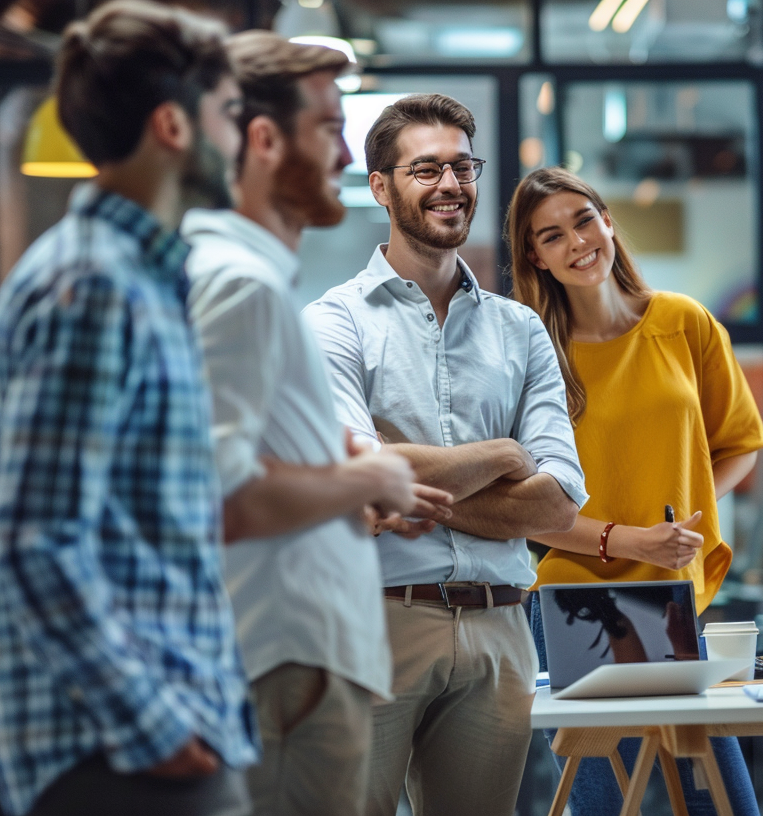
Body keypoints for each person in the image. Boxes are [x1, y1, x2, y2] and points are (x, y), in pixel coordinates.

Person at [0, 4, 257, 814]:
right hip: (120, 755)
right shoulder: (95, 287)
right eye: (230, 114)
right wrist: (152, 725)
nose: (241, 139)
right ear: (173, 125)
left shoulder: (134, 277)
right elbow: (36, 537)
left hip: (150, 734)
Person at [182, 33, 454, 816]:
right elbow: (220, 492)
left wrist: (336, 479)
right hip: (283, 664)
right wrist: (373, 474)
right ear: (263, 140)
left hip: (299, 662)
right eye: (329, 128)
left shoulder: (251, 279)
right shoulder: (239, 285)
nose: (342, 154)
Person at [304, 94, 588, 816]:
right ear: (381, 186)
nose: (450, 185)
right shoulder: (333, 322)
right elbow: (351, 476)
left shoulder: (521, 329)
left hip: (500, 628)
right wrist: (500, 453)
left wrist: (400, 471)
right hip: (374, 621)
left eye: (463, 166)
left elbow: (558, 501)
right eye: (426, 169)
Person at [508, 166, 763, 816]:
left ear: (608, 221)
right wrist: (631, 542)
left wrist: (684, 529)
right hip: (573, 599)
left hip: (671, 595)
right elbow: (522, 508)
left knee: (719, 800)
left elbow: (737, 444)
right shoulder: (534, 354)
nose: (576, 242)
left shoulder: (684, 322)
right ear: (534, 257)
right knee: (605, 805)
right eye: (551, 236)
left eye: (583, 220)